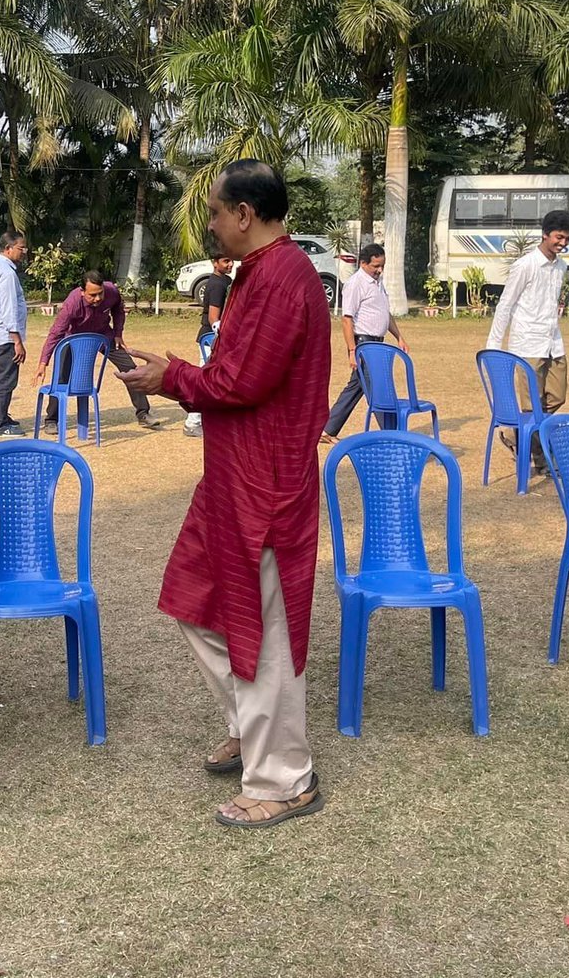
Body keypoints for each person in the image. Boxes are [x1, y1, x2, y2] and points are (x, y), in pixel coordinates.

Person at [117, 160, 330, 829]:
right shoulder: (255, 276)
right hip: (234, 478)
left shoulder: (284, 279)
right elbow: (234, 376)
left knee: (265, 633)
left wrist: (170, 377)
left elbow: (241, 382)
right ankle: (249, 724)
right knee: (196, 602)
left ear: (244, 214)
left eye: (214, 211)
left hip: (267, 486)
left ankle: (283, 778)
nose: (209, 223)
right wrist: (179, 375)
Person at [485, 209, 569, 471]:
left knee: (557, 397)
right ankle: (539, 456)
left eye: (567, 238)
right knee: (530, 405)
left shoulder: (561, 266)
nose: (563, 243)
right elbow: (505, 305)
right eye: (559, 237)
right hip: (527, 345)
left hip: (553, 343)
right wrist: (493, 347)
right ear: (545, 234)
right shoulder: (525, 266)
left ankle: (515, 435)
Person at [36, 271, 161, 432]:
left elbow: (118, 309)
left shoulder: (111, 291)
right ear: (82, 292)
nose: (97, 298)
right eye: (92, 295)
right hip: (74, 338)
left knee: (130, 369)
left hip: (103, 335)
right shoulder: (72, 304)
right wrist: (43, 362)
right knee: (62, 376)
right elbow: (56, 332)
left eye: (100, 293)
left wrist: (117, 333)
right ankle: (52, 419)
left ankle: (143, 413)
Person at [320, 243, 409, 443]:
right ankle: (392, 434)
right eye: (375, 266)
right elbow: (347, 319)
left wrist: (399, 336)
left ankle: (328, 429)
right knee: (378, 388)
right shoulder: (356, 284)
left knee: (356, 387)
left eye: (382, 266)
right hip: (364, 344)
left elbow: (384, 313)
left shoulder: (378, 282)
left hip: (378, 344)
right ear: (363, 263)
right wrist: (352, 350)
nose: (379, 270)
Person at [0, 230, 30, 439]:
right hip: (4, 334)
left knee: (5, 377)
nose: (24, 252)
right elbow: (8, 308)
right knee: (6, 379)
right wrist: (16, 340)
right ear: (8, 249)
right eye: (21, 248)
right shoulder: (7, 273)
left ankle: (1, 417)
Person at [184, 251, 233, 439]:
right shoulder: (218, 284)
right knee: (205, 381)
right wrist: (219, 335)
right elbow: (214, 316)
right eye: (226, 260)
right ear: (215, 263)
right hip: (210, 338)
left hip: (213, 338)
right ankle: (193, 422)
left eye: (231, 260)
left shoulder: (224, 282)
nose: (230, 264)